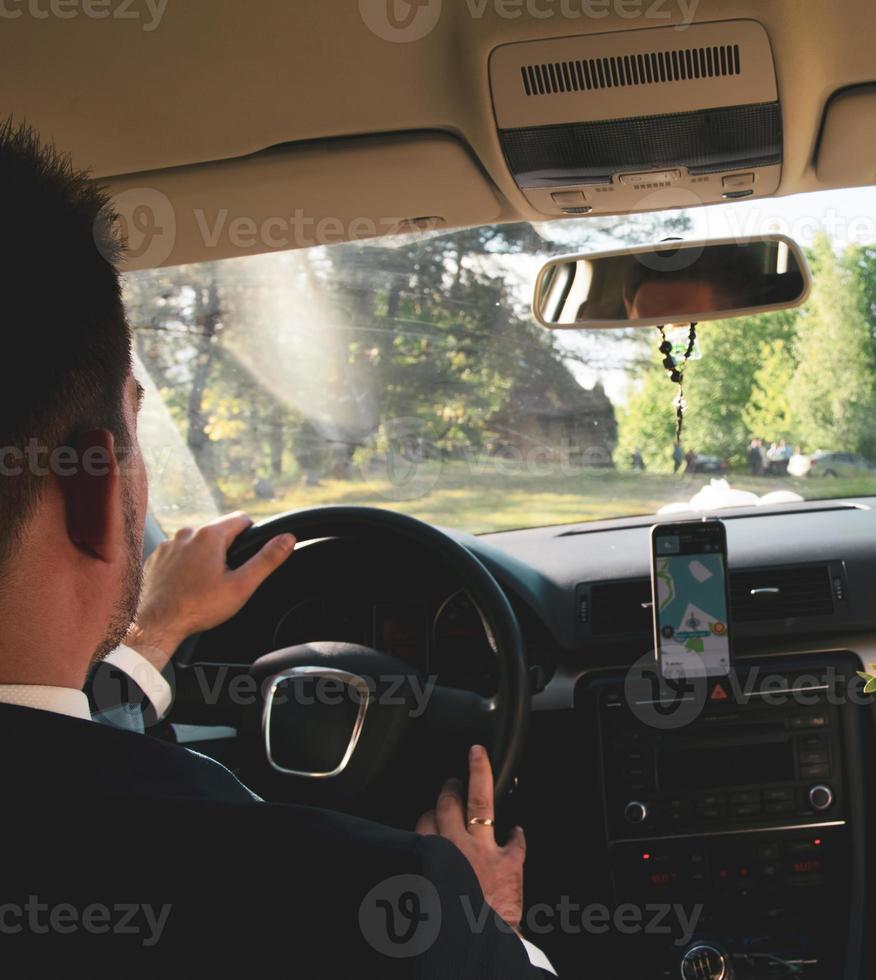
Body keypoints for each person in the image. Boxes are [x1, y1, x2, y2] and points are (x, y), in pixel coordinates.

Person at [0, 120, 554, 975]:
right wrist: (483, 921)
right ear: (95, 486)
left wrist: (152, 638)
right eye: (139, 428)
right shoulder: (379, 905)